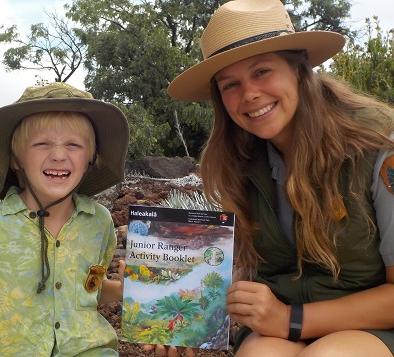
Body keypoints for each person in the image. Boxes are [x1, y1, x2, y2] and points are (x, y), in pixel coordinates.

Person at [145, 0, 394, 356]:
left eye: (262, 71)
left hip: (372, 325)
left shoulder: (378, 142)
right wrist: (176, 313)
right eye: (230, 84)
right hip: (276, 326)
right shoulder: (236, 160)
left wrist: (291, 319)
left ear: (299, 67)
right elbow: (234, 269)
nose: (249, 95)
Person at [0, 82, 129, 356]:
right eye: (42, 144)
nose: (58, 155)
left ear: (90, 159)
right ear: (16, 160)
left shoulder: (100, 222)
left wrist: (122, 290)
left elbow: (87, 289)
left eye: (73, 144)